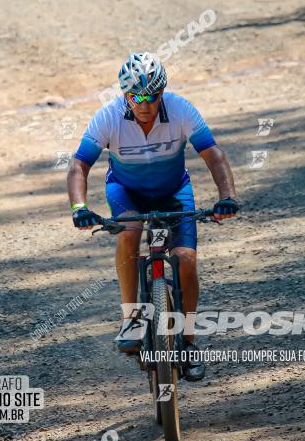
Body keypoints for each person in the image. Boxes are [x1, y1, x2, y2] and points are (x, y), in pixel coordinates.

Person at [67, 52, 238, 381]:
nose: (144, 104)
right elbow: (79, 166)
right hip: (126, 191)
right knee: (129, 232)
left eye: (152, 96)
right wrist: (79, 207)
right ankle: (131, 317)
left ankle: (187, 342)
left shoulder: (180, 110)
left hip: (174, 191)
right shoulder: (108, 117)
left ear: (163, 92)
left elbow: (214, 155)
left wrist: (227, 197)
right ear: (125, 95)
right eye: (136, 97)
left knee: (186, 259)